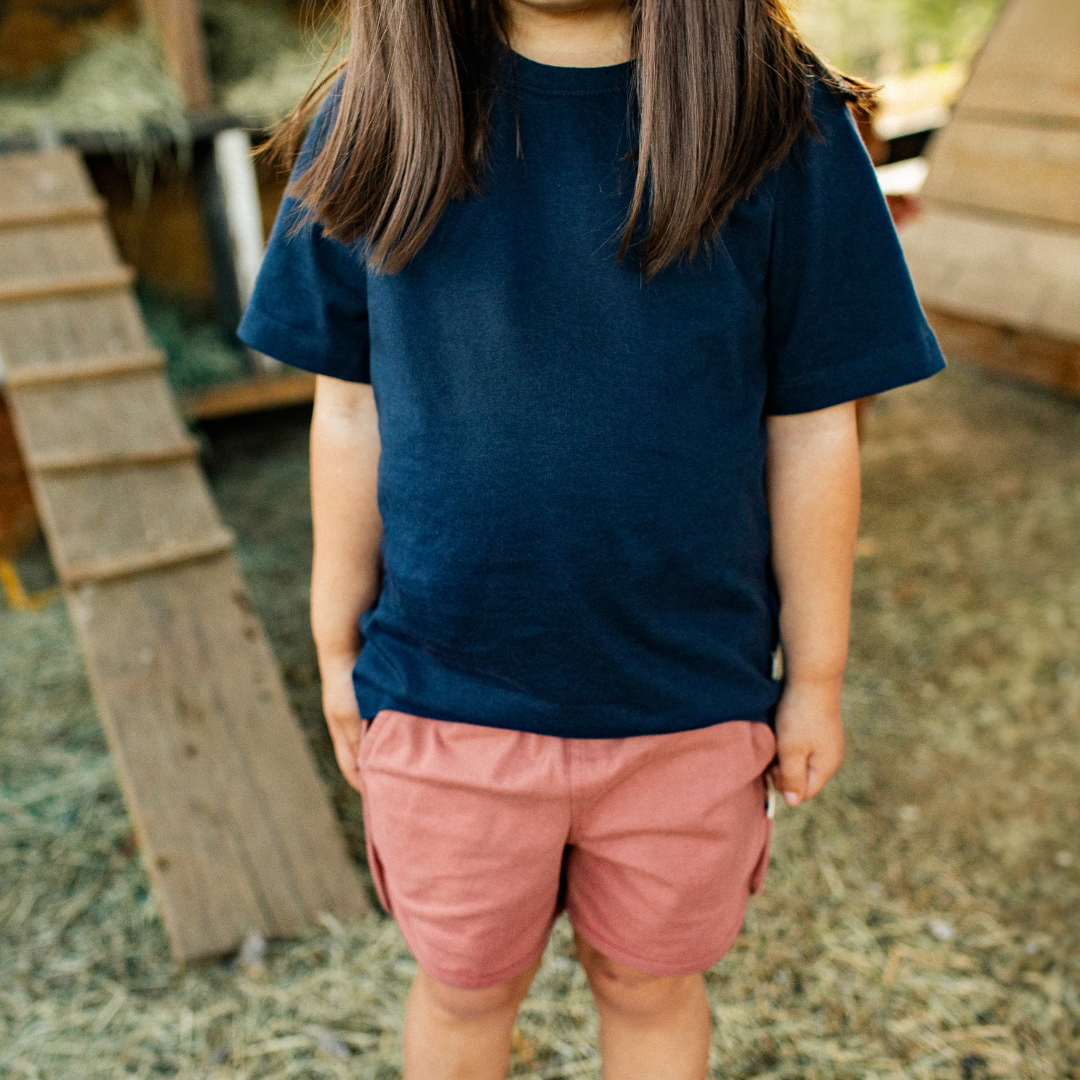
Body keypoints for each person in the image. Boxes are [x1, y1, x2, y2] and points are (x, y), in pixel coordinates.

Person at [239, 2, 944, 1077]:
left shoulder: (781, 121)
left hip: (687, 705)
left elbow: (812, 426)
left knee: (651, 987)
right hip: (445, 699)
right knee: (468, 993)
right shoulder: (369, 120)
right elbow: (349, 412)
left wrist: (818, 673)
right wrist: (336, 647)